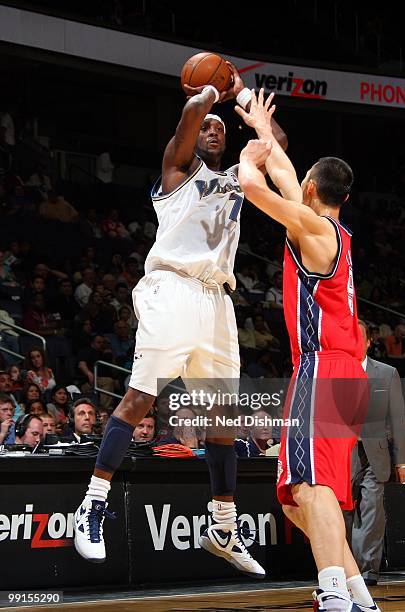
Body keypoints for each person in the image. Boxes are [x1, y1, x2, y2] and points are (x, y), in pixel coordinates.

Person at [73, 65, 287, 575]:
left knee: (222, 421)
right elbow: (190, 114)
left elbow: (276, 146)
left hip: (217, 300)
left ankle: (223, 524)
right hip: (171, 288)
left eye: (220, 127)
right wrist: (216, 88)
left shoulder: (238, 178)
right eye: (207, 127)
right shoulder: (177, 170)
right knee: (141, 395)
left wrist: (254, 115)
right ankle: (92, 504)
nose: (213, 130)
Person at [236, 90, 378, 611]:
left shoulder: (311, 228)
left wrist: (248, 157)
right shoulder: (327, 228)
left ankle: (333, 595)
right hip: (344, 374)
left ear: (315, 189)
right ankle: (359, 596)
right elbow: (287, 177)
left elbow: (255, 186)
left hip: (322, 369)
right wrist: (264, 131)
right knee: (302, 494)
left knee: (313, 487)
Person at [344, 321, 405, 586]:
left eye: (359, 337)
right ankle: (344, 568)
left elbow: (398, 420)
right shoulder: (334, 371)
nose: (354, 342)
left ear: (369, 342)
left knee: (372, 510)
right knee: (342, 512)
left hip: (376, 453)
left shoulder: (387, 372)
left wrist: (403, 460)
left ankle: (366, 571)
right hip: (342, 452)